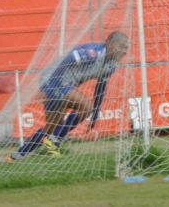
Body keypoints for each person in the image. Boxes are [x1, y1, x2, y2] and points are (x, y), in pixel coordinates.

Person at [9, 32, 130, 160]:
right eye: (122, 46)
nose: (125, 51)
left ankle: (17, 156)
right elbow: (69, 59)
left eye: (126, 48)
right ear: (110, 44)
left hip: (63, 84)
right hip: (53, 79)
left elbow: (100, 87)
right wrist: (53, 84)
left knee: (52, 126)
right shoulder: (94, 53)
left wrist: (95, 113)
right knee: (86, 107)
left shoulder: (110, 66)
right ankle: (54, 140)